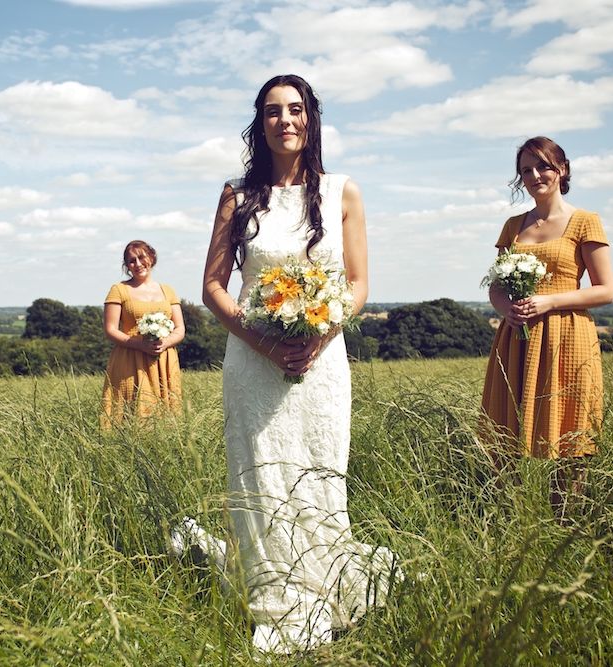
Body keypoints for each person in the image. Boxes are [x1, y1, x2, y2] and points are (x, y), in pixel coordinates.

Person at [201, 74, 396, 653]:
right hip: (252, 358)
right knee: (261, 473)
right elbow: (213, 286)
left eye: (295, 109)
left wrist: (319, 334)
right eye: (271, 112)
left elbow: (358, 284)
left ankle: (326, 584)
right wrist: (263, 341)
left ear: (310, 118)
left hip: (322, 357)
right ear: (259, 125)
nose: (284, 120)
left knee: (319, 470)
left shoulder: (343, 192)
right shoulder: (236, 194)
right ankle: (276, 596)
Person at [480, 136, 613, 520]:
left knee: (569, 435)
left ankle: (564, 524)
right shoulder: (513, 226)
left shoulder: (584, 221)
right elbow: (495, 285)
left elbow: (606, 290)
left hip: (567, 336)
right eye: (525, 170)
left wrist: (549, 301)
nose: (534, 175)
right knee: (506, 431)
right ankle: (512, 519)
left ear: (563, 169)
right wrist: (507, 309)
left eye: (542, 166)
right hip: (516, 338)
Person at [101, 240, 185, 428]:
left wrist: (166, 342)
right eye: (131, 261)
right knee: (131, 416)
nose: (137, 264)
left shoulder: (168, 290)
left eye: (141, 257)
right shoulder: (119, 290)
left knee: (166, 418)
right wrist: (140, 344)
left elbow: (180, 329)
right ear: (126, 266)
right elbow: (110, 330)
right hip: (130, 359)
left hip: (164, 360)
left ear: (151, 257)